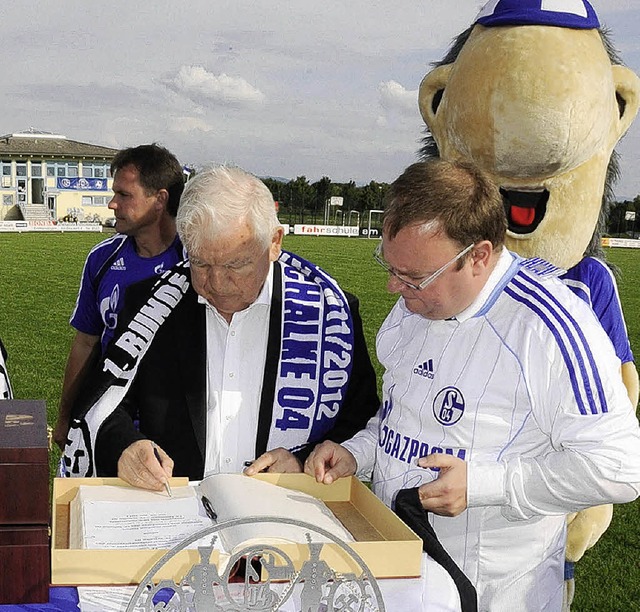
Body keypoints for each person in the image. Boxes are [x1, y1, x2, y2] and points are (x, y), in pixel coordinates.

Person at [305, 159, 640, 611]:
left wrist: (486, 485)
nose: (393, 287)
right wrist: (357, 452)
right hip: (398, 579)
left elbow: (619, 467)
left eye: (412, 276)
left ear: (478, 256)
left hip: (495, 596)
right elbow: (402, 414)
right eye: (390, 266)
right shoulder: (416, 305)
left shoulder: (550, 326)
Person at [62, 164, 380, 491]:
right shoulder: (147, 304)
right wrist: (125, 447)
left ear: (274, 242)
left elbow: (359, 421)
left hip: (283, 514)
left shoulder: (326, 315)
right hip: (174, 514)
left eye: (235, 264)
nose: (216, 283)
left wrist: (302, 460)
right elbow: (106, 403)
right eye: (200, 262)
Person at [53, 144, 186, 448]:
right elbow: (86, 342)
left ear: (159, 200)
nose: (113, 204)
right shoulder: (102, 259)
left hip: (177, 423)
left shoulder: (195, 261)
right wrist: (65, 417)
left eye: (124, 195)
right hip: (109, 420)